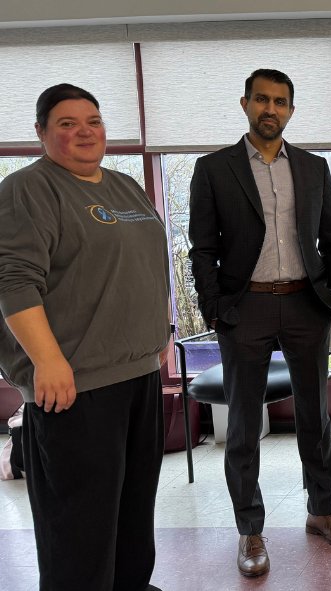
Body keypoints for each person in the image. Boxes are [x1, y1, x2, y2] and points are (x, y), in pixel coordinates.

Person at [188, 68, 331, 578]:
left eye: (280, 101)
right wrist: (215, 305)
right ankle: (250, 530)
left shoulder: (312, 167)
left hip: (306, 303)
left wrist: (330, 291)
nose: (271, 109)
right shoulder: (214, 168)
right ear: (245, 104)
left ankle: (322, 511)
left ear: (290, 108)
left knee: (316, 417)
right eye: (262, 99)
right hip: (246, 307)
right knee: (242, 424)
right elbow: (203, 248)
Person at [0, 84, 170, 590]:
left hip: (136, 373)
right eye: (67, 123)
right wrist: (47, 363)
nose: (83, 132)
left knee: (134, 510)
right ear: (40, 133)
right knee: (81, 523)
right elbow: (14, 280)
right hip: (75, 383)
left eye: (92, 121)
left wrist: (162, 326)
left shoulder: (124, 186)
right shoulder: (28, 189)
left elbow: (146, 261)